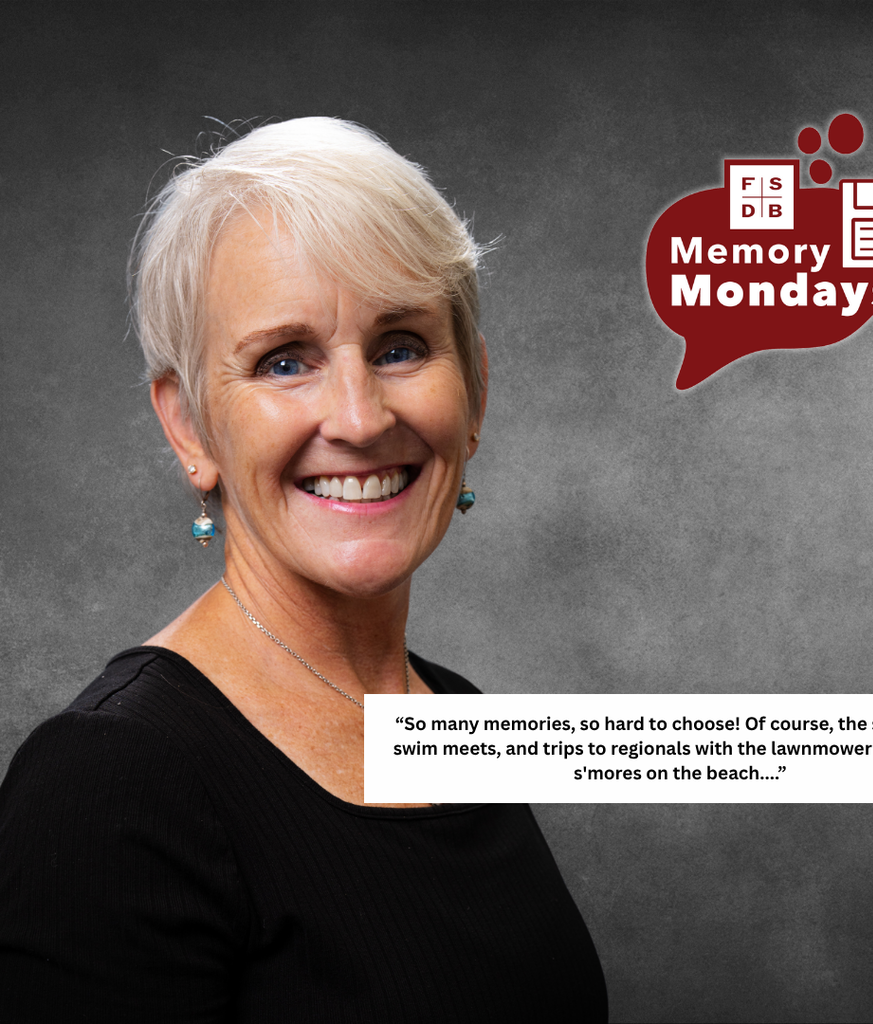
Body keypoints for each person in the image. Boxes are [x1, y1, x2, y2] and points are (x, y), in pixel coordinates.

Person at [0, 117, 607, 1022]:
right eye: (286, 362)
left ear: (474, 392)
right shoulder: (109, 782)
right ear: (190, 428)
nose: (359, 418)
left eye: (401, 346)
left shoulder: (456, 715)